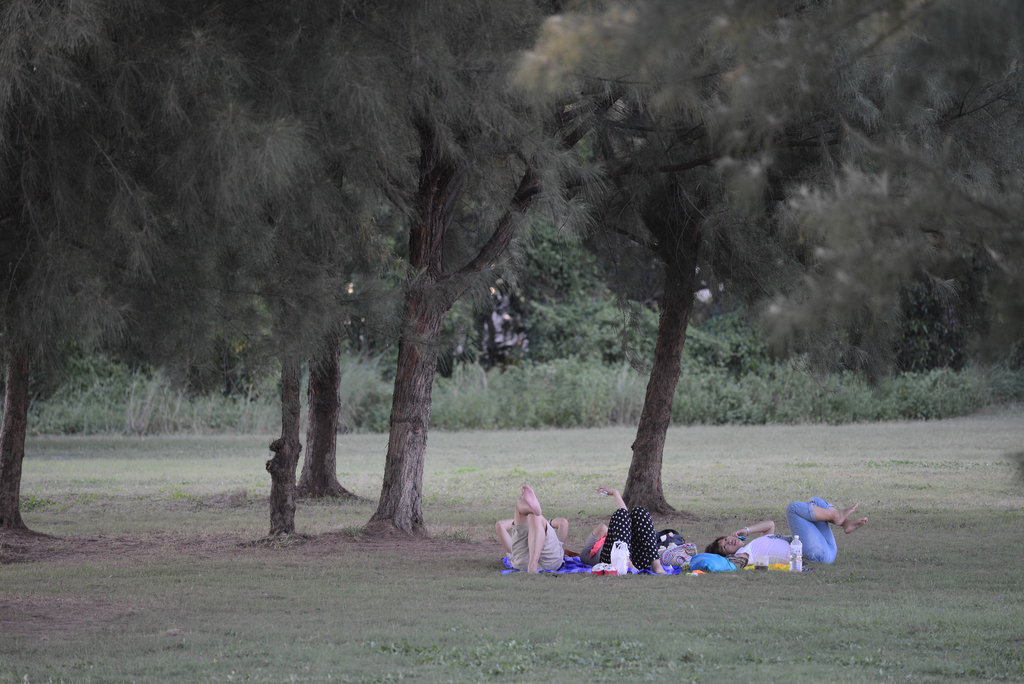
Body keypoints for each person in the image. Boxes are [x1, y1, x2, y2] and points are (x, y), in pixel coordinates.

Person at [705, 496, 867, 568]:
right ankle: (838, 518)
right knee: (793, 509)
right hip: (813, 555)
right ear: (728, 554)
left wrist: (747, 530)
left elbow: (769, 524)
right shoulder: (745, 553)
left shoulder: (756, 543)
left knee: (815, 501)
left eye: (725, 539)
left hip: (828, 551)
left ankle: (845, 523)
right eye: (725, 547)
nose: (728, 542)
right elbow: (734, 563)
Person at [579, 485, 666, 574]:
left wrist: (615, 493)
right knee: (621, 514)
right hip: (615, 562)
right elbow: (603, 528)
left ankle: (656, 565)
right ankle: (629, 565)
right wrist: (616, 533)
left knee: (640, 511)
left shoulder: (616, 532)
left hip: (638, 558)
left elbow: (606, 526)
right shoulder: (586, 555)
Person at [496, 485, 569, 573]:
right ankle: (533, 564)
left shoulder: (513, 554)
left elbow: (500, 525)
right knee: (536, 517)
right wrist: (541, 524)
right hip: (552, 561)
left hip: (521, 563)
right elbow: (563, 522)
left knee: (520, 502)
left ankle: (529, 508)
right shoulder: (557, 548)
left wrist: (522, 520)